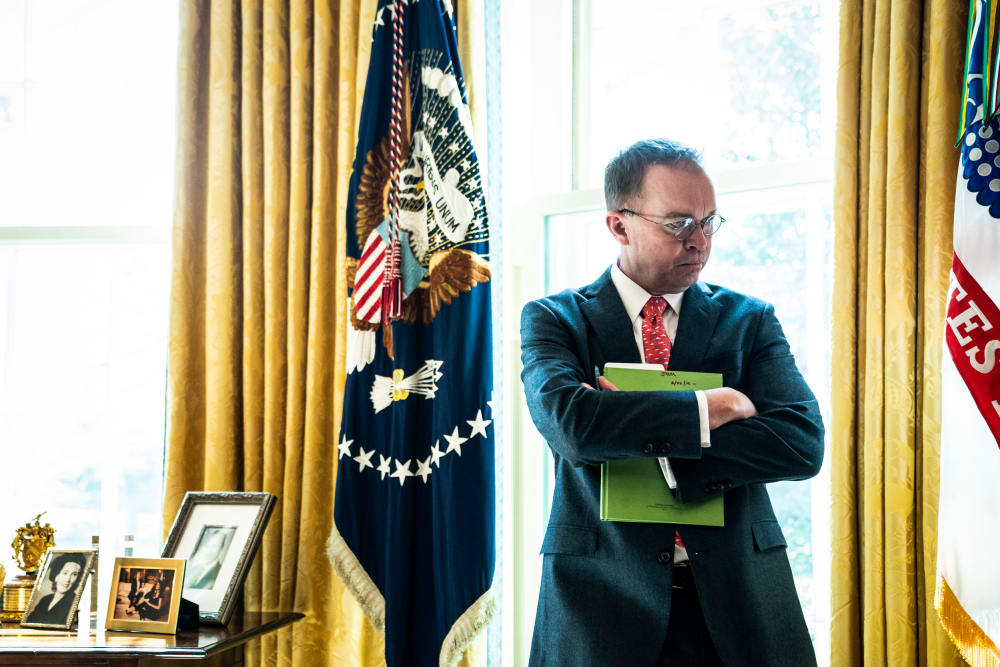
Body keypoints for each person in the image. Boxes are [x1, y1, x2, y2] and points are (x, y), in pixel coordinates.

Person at [519, 138, 824, 666]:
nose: (700, 241)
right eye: (679, 223)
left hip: (740, 604)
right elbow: (573, 428)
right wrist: (715, 408)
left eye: (710, 221)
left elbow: (801, 443)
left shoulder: (750, 321)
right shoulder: (555, 320)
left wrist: (626, 424)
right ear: (619, 225)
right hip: (600, 607)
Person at [23, 552, 87, 626]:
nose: (68, 579)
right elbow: (30, 622)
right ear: (56, 575)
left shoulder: (73, 602)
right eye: (65, 573)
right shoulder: (45, 600)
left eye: (74, 574)